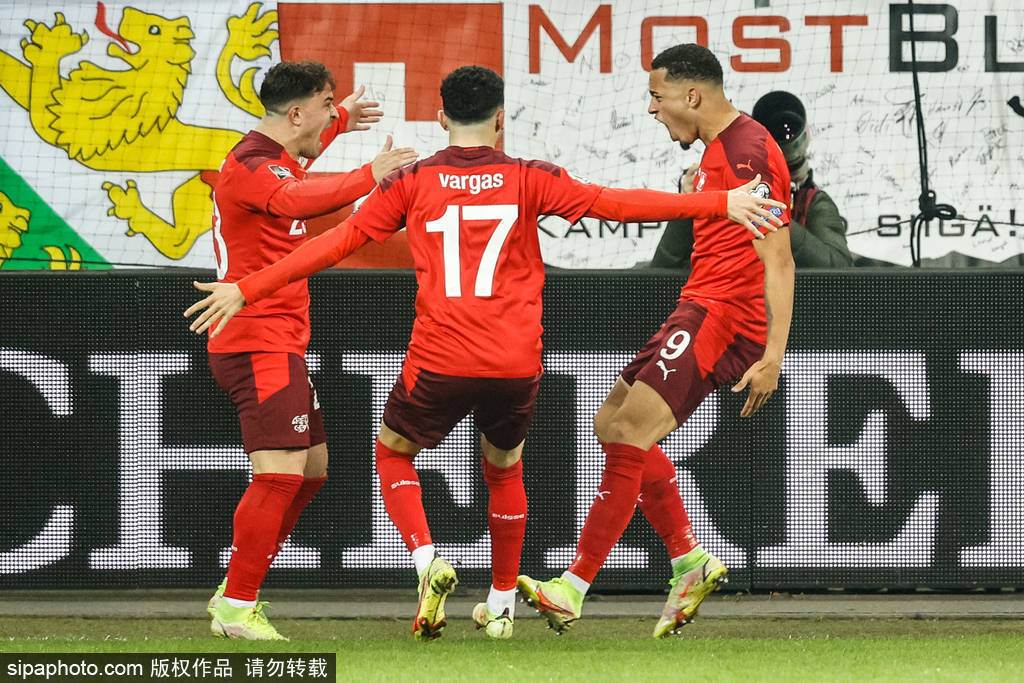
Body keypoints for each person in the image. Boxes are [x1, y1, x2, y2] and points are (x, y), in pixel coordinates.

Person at [184, 65, 785, 641]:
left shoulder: (413, 180)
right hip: (515, 363)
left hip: (438, 358)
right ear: (501, 119)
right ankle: (502, 606)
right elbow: (616, 203)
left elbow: (335, 243)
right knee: (510, 466)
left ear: (441, 117)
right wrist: (717, 203)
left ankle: (424, 560)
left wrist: (247, 286)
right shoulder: (529, 176)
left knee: (390, 454)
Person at [517, 43, 795, 639]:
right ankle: (689, 560)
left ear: (691, 95)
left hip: (723, 316)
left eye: (656, 95)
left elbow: (780, 259)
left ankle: (573, 586)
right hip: (698, 306)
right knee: (610, 421)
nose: (650, 108)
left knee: (628, 430)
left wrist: (773, 354)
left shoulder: (746, 152)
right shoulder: (723, 148)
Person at [199, 59, 417, 641]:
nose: (329, 116)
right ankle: (237, 605)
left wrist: (340, 116)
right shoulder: (253, 168)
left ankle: (237, 588)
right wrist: (371, 173)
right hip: (257, 341)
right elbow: (296, 200)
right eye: (323, 105)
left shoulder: (274, 155)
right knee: (279, 473)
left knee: (311, 470)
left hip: (278, 341)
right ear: (296, 113)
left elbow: (300, 166)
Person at [651, 90, 852, 268]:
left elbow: (840, 270)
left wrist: (770, 213)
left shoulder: (811, 203)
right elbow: (660, 274)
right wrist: (690, 206)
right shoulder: (712, 205)